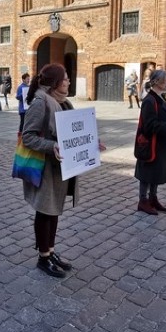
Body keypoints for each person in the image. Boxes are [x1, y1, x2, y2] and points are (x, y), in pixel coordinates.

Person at [21, 64, 105, 278]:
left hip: (61, 168)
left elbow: (74, 132)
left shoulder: (64, 103)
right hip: (45, 168)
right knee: (45, 211)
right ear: (55, 82)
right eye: (65, 79)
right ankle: (43, 257)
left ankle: (50, 251)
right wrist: (52, 146)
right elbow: (28, 136)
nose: (68, 81)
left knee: (54, 209)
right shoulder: (41, 103)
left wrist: (91, 143)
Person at [135, 69, 166, 215]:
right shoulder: (150, 100)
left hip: (162, 143)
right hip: (151, 144)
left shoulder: (162, 98)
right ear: (156, 82)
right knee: (147, 173)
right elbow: (148, 125)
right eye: (165, 80)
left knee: (157, 172)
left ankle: (153, 198)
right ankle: (143, 201)